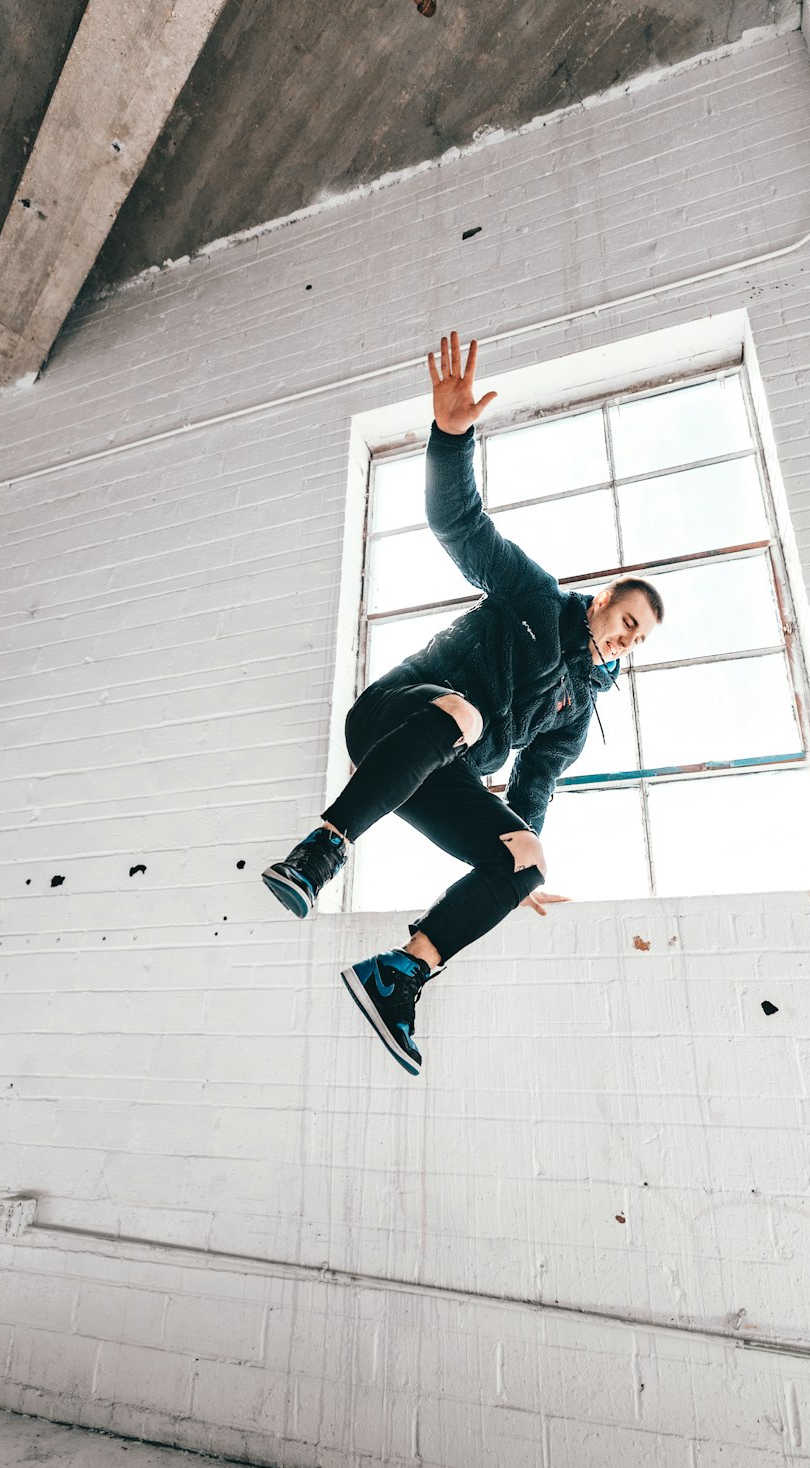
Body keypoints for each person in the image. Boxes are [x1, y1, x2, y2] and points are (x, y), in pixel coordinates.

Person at [263, 330, 664, 1076]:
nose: (627, 641)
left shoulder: (575, 710)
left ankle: (400, 976)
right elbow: (462, 526)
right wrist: (452, 438)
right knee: (468, 718)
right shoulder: (535, 597)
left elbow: (534, 787)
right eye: (627, 621)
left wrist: (509, 875)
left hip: (438, 768)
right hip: (397, 717)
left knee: (527, 857)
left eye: (638, 642)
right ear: (604, 599)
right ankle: (321, 851)